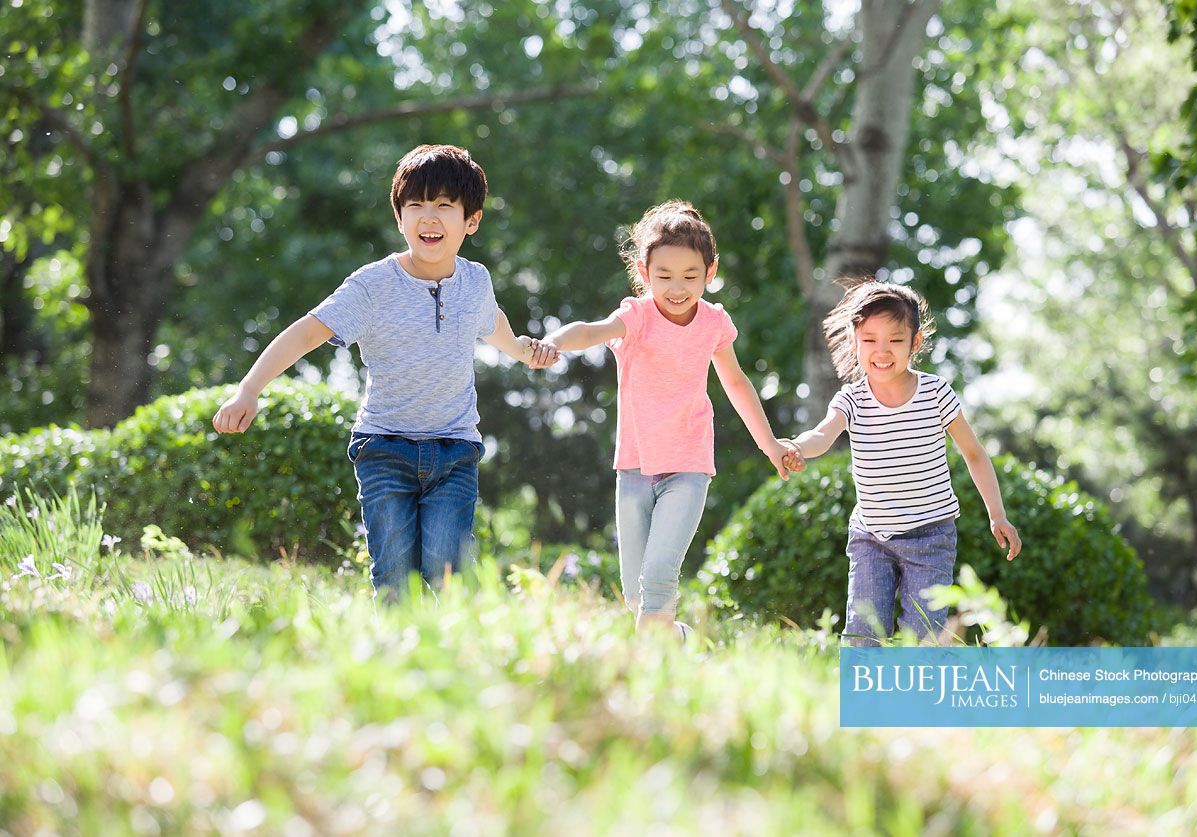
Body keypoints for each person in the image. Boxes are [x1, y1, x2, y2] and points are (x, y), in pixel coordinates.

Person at [212, 144, 556, 597]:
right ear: (399, 218)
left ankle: (446, 660)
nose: (428, 217)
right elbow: (305, 334)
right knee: (394, 576)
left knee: (446, 570)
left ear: (471, 221)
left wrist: (521, 351)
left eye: (444, 206)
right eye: (416, 205)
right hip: (384, 450)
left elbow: (492, 322)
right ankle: (396, 659)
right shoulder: (372, 286)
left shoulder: (476, 280)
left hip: (455, 450)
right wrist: (249, 388)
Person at [544, 200, 791, 640]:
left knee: (658, 576)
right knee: (635, 596)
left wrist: (770, 443)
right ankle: (675, 637)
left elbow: (736, 383)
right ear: (643, 271)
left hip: (689, 465)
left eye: (690, 277)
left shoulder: (714, 322)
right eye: (664, 276)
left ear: (710, 272)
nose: (677, 288)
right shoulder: (638, 317)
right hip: (635, 467)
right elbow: (591, 330)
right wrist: (553, 343)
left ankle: (647, 664)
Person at [779, 280, 1022, 645]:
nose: (882, 350)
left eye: (894, 339)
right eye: (870, 339)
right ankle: (862, 699)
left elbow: (974, 453)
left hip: (931, 535)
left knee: (923, 634)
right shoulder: (853, 399)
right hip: (870, 536)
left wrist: (997, 513)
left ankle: (916, 699)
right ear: (855, 342)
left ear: (915, 342)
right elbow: (823, 434)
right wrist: (795, 447)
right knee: (863, 631)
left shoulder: (936, 394)